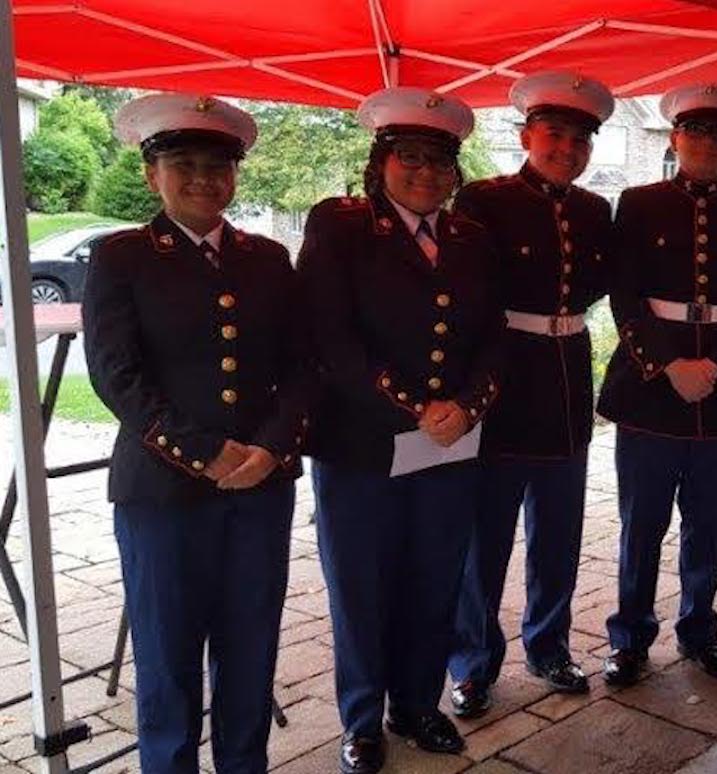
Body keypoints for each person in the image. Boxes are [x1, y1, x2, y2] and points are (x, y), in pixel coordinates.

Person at [83, 93, 312, 773]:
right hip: (161, 493)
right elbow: (116, 376)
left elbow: (303, 367)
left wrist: (271, 448)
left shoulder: (268, 258)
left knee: (250, 650)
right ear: (153, 174)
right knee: (167, 659)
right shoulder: (122, 257)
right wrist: (205, 453)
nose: (204, 179)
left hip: (260, 490)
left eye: (218, 166)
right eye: (183, 163)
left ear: (236, 175)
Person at [297, 87, 505, 774]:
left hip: (450, 445)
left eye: (440, 161)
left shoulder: (471, 238)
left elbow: (491, 337)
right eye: (409, 157)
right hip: (362, 444)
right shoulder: (342, 226)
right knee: (361, 585)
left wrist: (469, 406)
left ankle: (417, 704)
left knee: (436, 577)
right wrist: (416, 407)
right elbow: (330, 337)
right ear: (380, 160)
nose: (426, 173)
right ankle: (361, 720)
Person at [596, 82, 717, 686]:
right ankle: (629, 636)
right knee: (641, 524)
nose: (706, 143)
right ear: (676, 138)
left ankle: (699, 631)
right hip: (651, 391)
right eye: (695, 132)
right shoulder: (638, 202)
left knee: (707, 523)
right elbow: (623, 294)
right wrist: (670, 364)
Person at [448, 71, 614, 717]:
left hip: (568, 375)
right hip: (502, 378)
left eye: (579, 139)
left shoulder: (595, 210)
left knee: (559, 533)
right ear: (526, 134)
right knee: (484, 538)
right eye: (555, 134)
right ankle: (472, 662)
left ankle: (548, 646)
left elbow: (601, 280)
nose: (567, 148)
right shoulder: (484, 200)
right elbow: (465, 293)